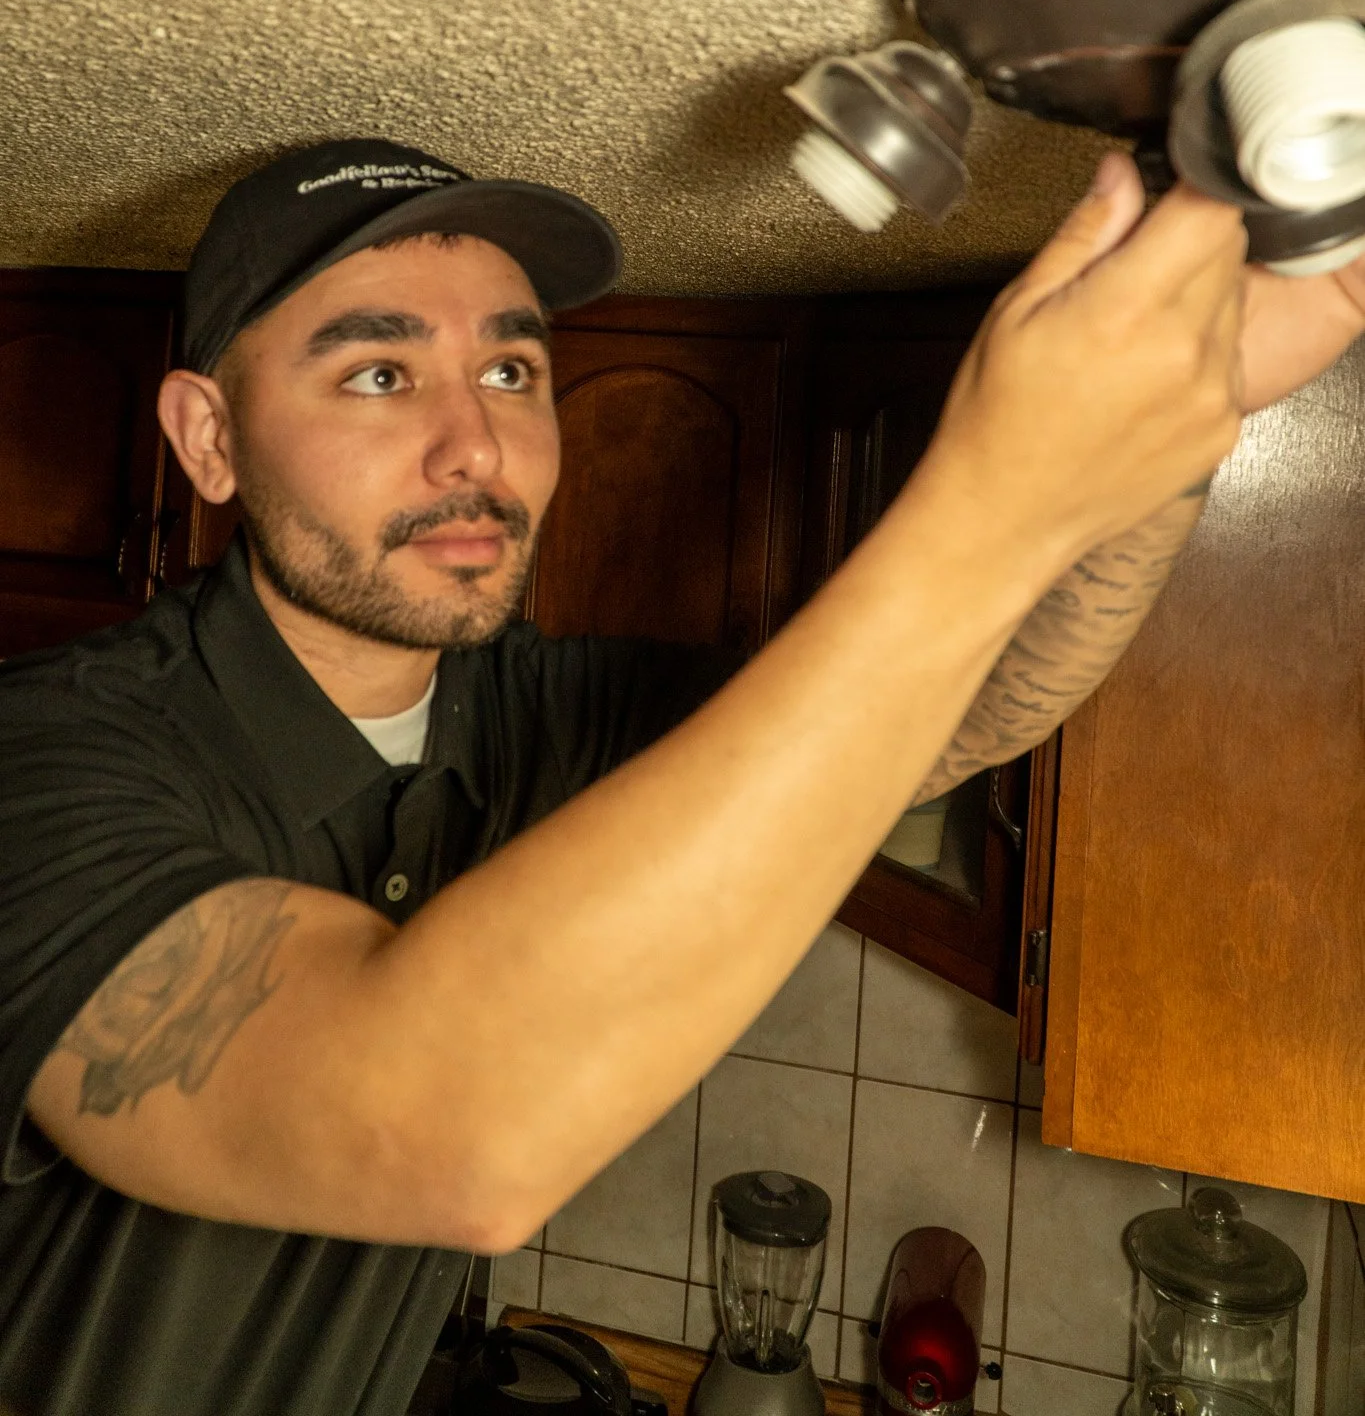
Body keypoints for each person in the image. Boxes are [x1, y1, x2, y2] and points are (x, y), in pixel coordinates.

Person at [1, 135, 1362, 1416]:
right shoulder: (46, 767)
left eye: (513, 371)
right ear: (209, 439)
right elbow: (448, 1130)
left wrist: (1181, 423)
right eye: (378, 373)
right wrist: (997, 490)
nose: (475, 444)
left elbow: (962, 708)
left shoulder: (542, 713)